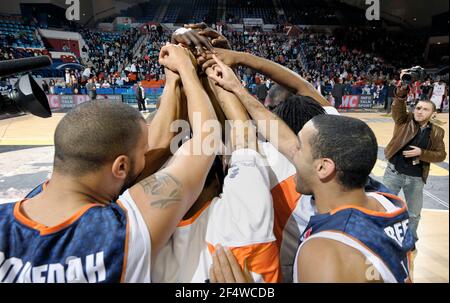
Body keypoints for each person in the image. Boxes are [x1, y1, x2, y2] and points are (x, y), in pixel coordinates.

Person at [0, 44, 220, 283]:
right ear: (121, 168)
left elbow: (159, 142)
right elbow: (205, 140)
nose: (148, 154)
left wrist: (171, 81)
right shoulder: (122, 233)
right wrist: (186, 70)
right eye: (142, 153)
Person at [208, 55, 415, 283]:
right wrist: (236, 88)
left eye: (300, 150)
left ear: (324, 167)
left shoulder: (324, 252)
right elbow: (284, 137)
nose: (291, 151)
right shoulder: (387, 201)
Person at [383, 82, 447, 249]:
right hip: (393, 173)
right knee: (384, 207)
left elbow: (441, 155)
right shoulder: (404, 120)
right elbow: (398, 107)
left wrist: (422, 153)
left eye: (425, 109)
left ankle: (410, 240)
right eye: (418, 108)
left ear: (433, 113)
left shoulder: (437, 132)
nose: (420, 111)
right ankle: (381, 238)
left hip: (416, 178)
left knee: (414, 214)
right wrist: (402, 91)